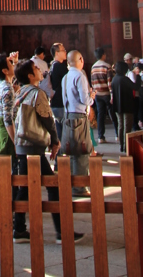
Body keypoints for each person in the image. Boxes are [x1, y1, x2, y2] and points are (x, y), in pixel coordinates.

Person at [13, 58, 85, 245]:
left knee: (25, 187)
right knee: (52, 185)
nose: (39, 69)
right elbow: (47, 120)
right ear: (30, 75)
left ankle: (19, 229)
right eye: (35, 68)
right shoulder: (38, 94)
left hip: (21, 144)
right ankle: (61, 232)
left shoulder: (20, 93)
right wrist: (55, 141)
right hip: (34, 145)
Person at [60, 49, 91, 196]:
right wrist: (92, 98)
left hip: (68, 115)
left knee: (72, 151)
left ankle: (72, 183)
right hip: (79, 116)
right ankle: (79, 187)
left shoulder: (65, 77)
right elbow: (84, 99)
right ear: (80, 60)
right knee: (82, 152)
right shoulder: (80, 75)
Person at [90, 48, 113, 143]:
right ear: (103, 55)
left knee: (100, 115)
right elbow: (110, 82)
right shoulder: (107, 66)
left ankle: (100, 137)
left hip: (97, 94)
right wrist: (112, 95)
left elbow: (92, 82)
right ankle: (118, 135)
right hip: (106, 93)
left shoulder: (93, 67)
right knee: (112, 114)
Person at [112, 61, 135, 152]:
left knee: (120, 125)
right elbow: (135, 86)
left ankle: (121, 145)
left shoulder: (114, 79)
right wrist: (138, 77)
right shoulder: (125, 79)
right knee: (127, 126)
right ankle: (126, 146)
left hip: (117, 105)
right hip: (127, 104)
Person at [49, 42, 68, 142]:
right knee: (62, 134)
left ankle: (58, 155)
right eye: (63, 50)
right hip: (60, 102)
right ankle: (60, 156)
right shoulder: (59, 66)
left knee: (57, 133)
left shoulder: (52, 65)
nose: (65, 52)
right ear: (57, 53)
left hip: (55, 101)